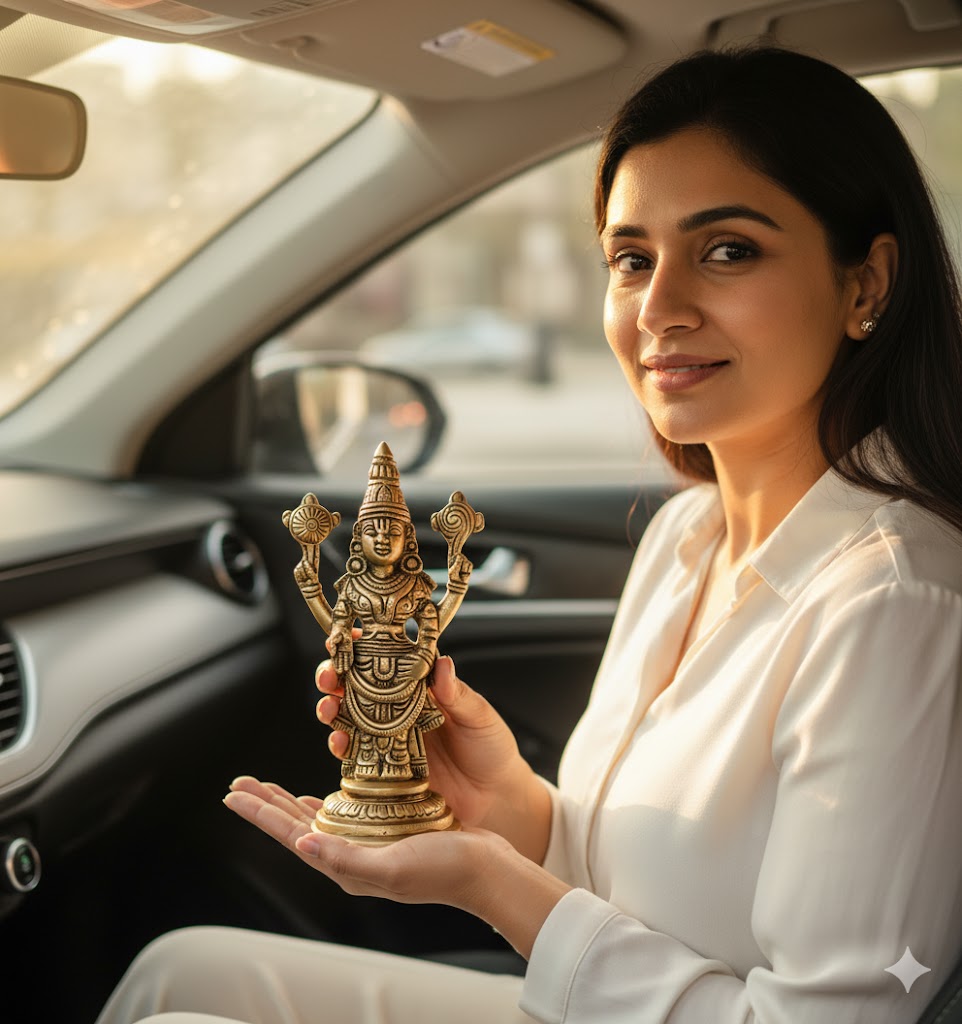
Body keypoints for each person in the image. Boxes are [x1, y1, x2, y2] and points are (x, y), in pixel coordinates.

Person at [95, 44, 962, 1024]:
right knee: (185, 973)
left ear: (866, 285)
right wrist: (510, 810)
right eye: (630, 259)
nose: (657, 308)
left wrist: (489, 882)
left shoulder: (891, 600)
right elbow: (640, 888)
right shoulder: (685, 536)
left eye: (726, 251)